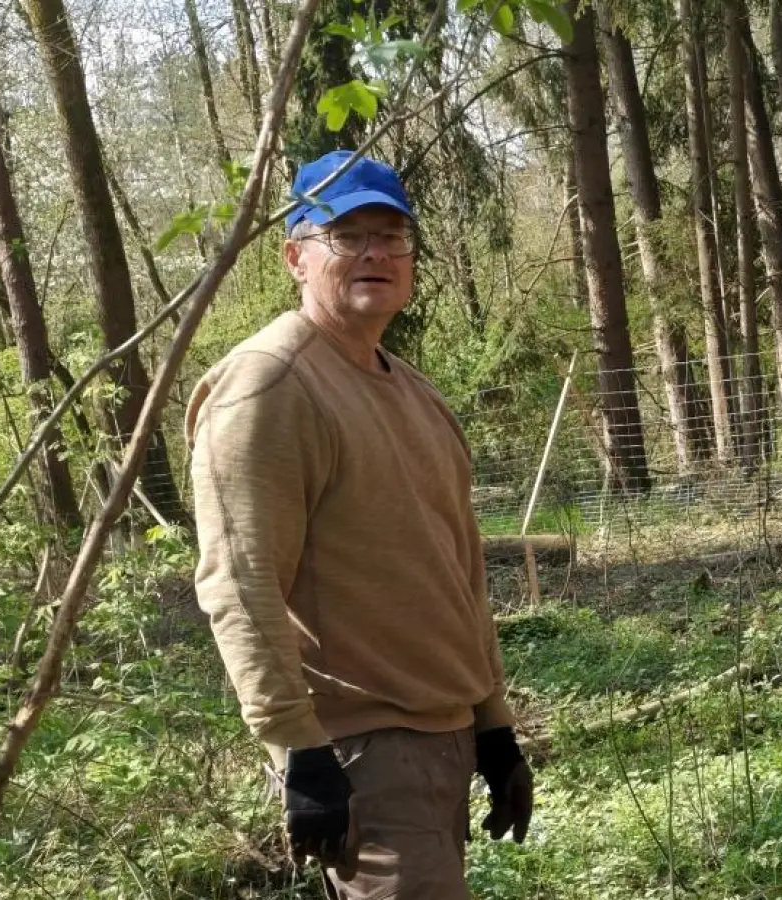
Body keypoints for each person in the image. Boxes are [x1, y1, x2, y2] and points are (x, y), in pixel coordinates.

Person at [186, 150, 533, 899]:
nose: (376, 251)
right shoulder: (270, 384)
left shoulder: (415, 393)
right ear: (296, 256)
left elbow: (457, 568)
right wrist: (298, 748)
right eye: (346, 234)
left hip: (441, 738)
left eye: (393, 235)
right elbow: (239, 581)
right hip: (362, 751)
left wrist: (492, 723)